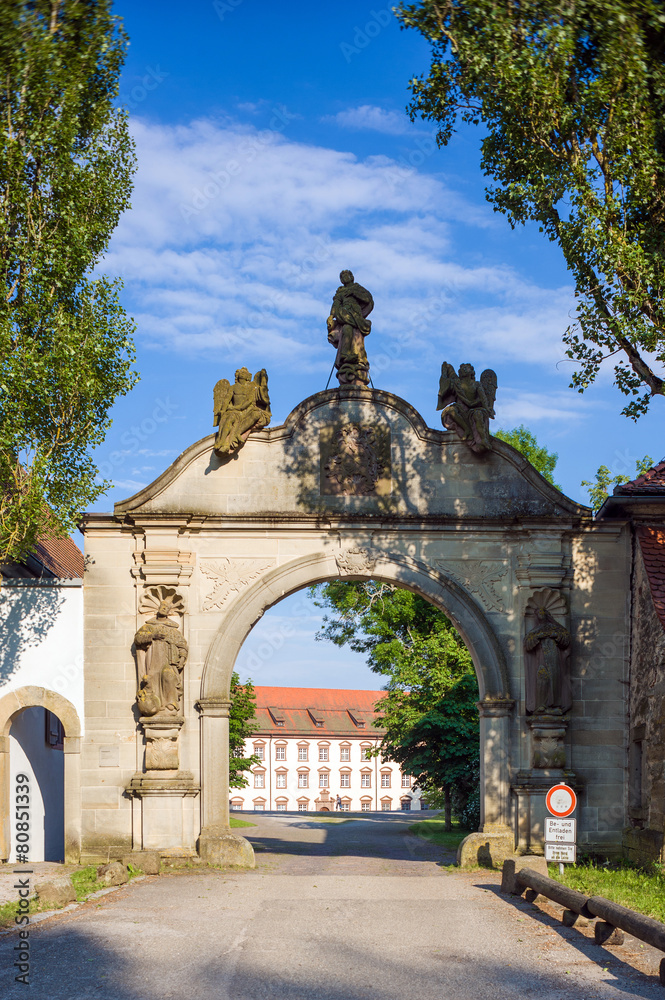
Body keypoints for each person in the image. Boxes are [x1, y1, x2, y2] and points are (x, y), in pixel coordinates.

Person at [327, 270, 374, 386]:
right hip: (344, 314)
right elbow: (336, 304)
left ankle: (358, 358)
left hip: (356, 315)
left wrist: (354, 293)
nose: (344, 278)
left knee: (357, 337)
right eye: (342, 277)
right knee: (347, 329)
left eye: (346, 276)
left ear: (351, 277)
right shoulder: (340, 291)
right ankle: (345, 354)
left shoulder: (357, 288)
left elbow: (367, 299)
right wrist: (331, 316)